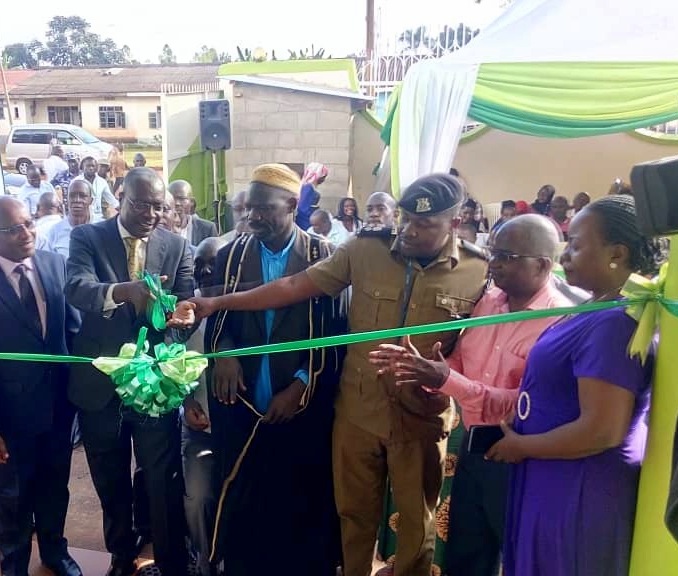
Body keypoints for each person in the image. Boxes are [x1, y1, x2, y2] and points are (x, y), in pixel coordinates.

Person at [174, 173, 489, 576]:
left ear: (455, 222)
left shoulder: (479, 271)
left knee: (416, 520)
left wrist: (447, 374)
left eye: (424, 224)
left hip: (420, 417)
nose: (409, 230)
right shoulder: (365, 250)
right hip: (358, 412)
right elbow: (293, 286)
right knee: (352, 515)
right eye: (405, 218)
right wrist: (216, 303)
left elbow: (483, 346)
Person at [370, 214, 571, 576]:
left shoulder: (560, 321)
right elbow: (462, 361)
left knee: (514, 555)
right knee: (467, 551)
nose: (493, 264)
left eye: (506, 257)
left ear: (542, 265)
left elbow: (524, 402)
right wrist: (425, 370)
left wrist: (447, 379)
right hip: (474, 447)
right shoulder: (489, 302)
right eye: (493, 253)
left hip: (520, 456)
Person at [487, 195, 659, 576]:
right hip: (551, 473)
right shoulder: (596, 307)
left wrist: (522, 445)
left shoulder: (614, 323)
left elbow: (603, 430)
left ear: (617, 254)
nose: (564, 255)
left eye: (576, 246)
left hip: (578, 485)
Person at [206, 164, 344, 576]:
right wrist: (224, 354)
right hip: (244, 400)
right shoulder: (231, 256)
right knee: (245, 502)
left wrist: (301, 385)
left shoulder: (324, 256)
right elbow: (219, 320)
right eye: (249, 208)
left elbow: (336, 332)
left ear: (292, 204)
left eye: (264, 208)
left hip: (299, 402)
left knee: (300, 501)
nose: (253, 217)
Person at [65, 167, 195, 576]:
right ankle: (121, 557)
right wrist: (125, 291)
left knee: (162, 478)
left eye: (159, 206)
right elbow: (77, 288)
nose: (151, 215)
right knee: (110, 478)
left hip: (154, 385)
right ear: (121, 197)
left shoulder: (176, 246)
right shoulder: (88, 237)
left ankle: (171, 563)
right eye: (142, 205)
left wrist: (180, 317)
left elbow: (186, 302)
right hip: (100, 386)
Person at [0, 196, 82, 576]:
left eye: (29, 223)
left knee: (55, 487)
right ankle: (14, 566)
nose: (26, 233)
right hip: (9, 417)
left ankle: (55, 552)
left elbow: (72, 332)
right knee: (13, 497)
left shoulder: (54, 264)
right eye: (13, 229)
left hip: (58, 408)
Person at [182, 235, 227, 576]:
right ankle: (204, 559)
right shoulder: (185, 314)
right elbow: (171, 366)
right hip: (201, 430)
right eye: (199, 264)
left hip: (242, 430)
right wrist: (186, 403)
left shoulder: (246, 312)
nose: (206, 270)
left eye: (214, 263)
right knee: (197, 497)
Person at [47, 180, 92, 258]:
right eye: (72, 196)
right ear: (67, 199)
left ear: (91, 200)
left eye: (82, 196)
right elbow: (50, 262)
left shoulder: (99, 229)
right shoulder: (55, 231)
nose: (77, 200)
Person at [169, 180, 218, 245]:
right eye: (172, 199)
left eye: (181, 198)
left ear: (191, 201)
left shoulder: (208, 229)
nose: (177, 203)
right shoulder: (160, 229)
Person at [75, 156, 118, 223]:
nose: (91, 168)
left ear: (96, 168)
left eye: (93, 166)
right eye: (88, 166)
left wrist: (122, 209)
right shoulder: (76, 181)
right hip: (81, 218)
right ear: (82, 167)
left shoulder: (102, 182)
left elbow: (110, 198)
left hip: (97, 218)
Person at [296, 162, 328, 230]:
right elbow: (302, 208)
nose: (323, 180)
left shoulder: (306, 186)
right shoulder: (308, 187)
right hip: (305, 222)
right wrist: (315, 214)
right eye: (323, 177)